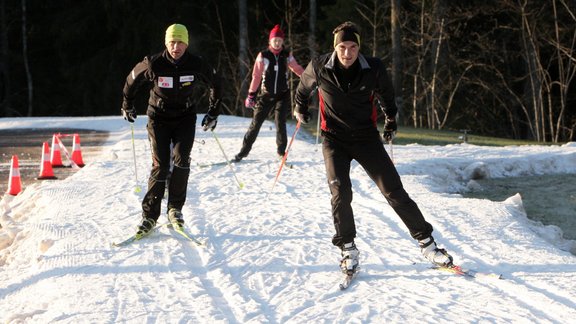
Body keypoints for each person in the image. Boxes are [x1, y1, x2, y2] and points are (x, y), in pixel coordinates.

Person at [293, 22, 453, 275]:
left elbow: (387, 98)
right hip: (333, 139)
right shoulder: (320, 66)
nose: (348, 53)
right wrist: (300, 109)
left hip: (366, 138)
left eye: (353, 47)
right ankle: (347, 248)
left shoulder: (373, 68)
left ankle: (428, 245)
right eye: (343, 47)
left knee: (393, 190)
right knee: (340, 192)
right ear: (336, 47)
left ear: (359, 47)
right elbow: (302, 91)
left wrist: (391, 121)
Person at [121, 23, 222, 238]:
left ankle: (175, 208)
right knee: (161, 164)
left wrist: (213, 111)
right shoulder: (154, 63)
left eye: (180, 42)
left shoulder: (195, 64)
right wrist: (127, 104)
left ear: (186, 44)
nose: (176, 47)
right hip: (159, 118)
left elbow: (216, 82)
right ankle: (149, 215)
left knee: (182, 160)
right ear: (166, 43)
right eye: (172, 42)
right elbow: (131, 81)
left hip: (185, 118)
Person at [233, 24, 304, 162]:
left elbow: (297, 68)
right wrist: (251, 94)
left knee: (280, 123)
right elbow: (256, 76)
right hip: (266, 95)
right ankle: (243, 152)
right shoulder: (263, 56)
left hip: (282, 95)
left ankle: (281, 152)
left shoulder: (286, 55)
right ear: (270, 41)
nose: (277, 43)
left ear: (283, 41)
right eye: (274, 40)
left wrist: (309, 77)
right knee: (256, 123)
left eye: (279, 40)